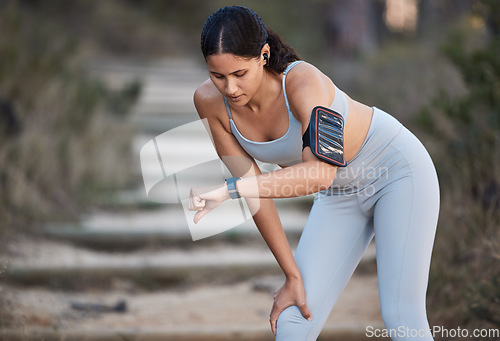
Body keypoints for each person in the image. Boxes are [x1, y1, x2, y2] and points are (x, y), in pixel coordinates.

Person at [188, 6, 439, 341]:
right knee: (293, 321)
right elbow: (258, 195)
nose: (230, 88)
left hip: (396, 171)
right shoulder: (208, 101)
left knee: (401, 316)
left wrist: (230, 189)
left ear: (263, 56)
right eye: (218, 76)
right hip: (339, 195)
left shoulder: (304, 82)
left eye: (239, 73)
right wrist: (291, 275)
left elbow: (319, 174)